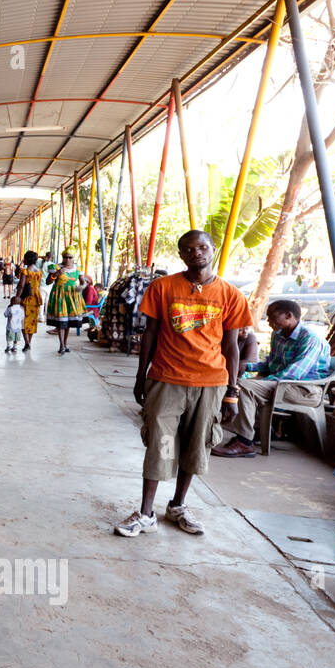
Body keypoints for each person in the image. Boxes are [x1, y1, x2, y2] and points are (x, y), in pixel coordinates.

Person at [114, 230, 252, 538]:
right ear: (181, 255)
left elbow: (232, 347)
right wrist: (141, 376)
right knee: (159, 443)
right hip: (166, 379)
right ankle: (146, 512)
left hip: (211, 382)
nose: (196, 252)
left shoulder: (231, 295)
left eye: (203, 246)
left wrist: (232, 391)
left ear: (213, 250)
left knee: (196, 444)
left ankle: (177, 505)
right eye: (189, 249)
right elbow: (149, 333)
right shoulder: (162, 287)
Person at [212, 299, 331, 458]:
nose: (268, 322)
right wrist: (247, 367)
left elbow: (294, 373)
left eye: (272, 317)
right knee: (241, 383)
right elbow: (272, 364)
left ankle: (244, 442)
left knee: (245, 387)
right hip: (282, 383)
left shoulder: (309, 338)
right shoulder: (278, 335)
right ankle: (261, 432)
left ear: (289, 316)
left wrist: (260, 382)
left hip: (305, 389)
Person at [45, 251, 89, 354]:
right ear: (62, 257)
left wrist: (82, 286)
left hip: (72, 297)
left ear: (73, 258)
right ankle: (61, 345)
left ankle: (64, 344)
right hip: (59, 296)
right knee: (61, 322)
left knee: (67, 323)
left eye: (70, 257)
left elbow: (83, 282)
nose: (68, 259)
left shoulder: (77, 268)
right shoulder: (56, 267)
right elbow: (48, 282)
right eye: (65, 257)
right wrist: (56, 274)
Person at [15, 250, 44, 351]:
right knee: (32, 321)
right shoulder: (39, 272)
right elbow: (38, 284)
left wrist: (17, 297)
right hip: (36, 297)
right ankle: (29, 342)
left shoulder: (25, 271)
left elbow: (21, 286)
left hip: (26, 298)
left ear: (27, 259)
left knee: (23, 321)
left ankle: (27, 342)